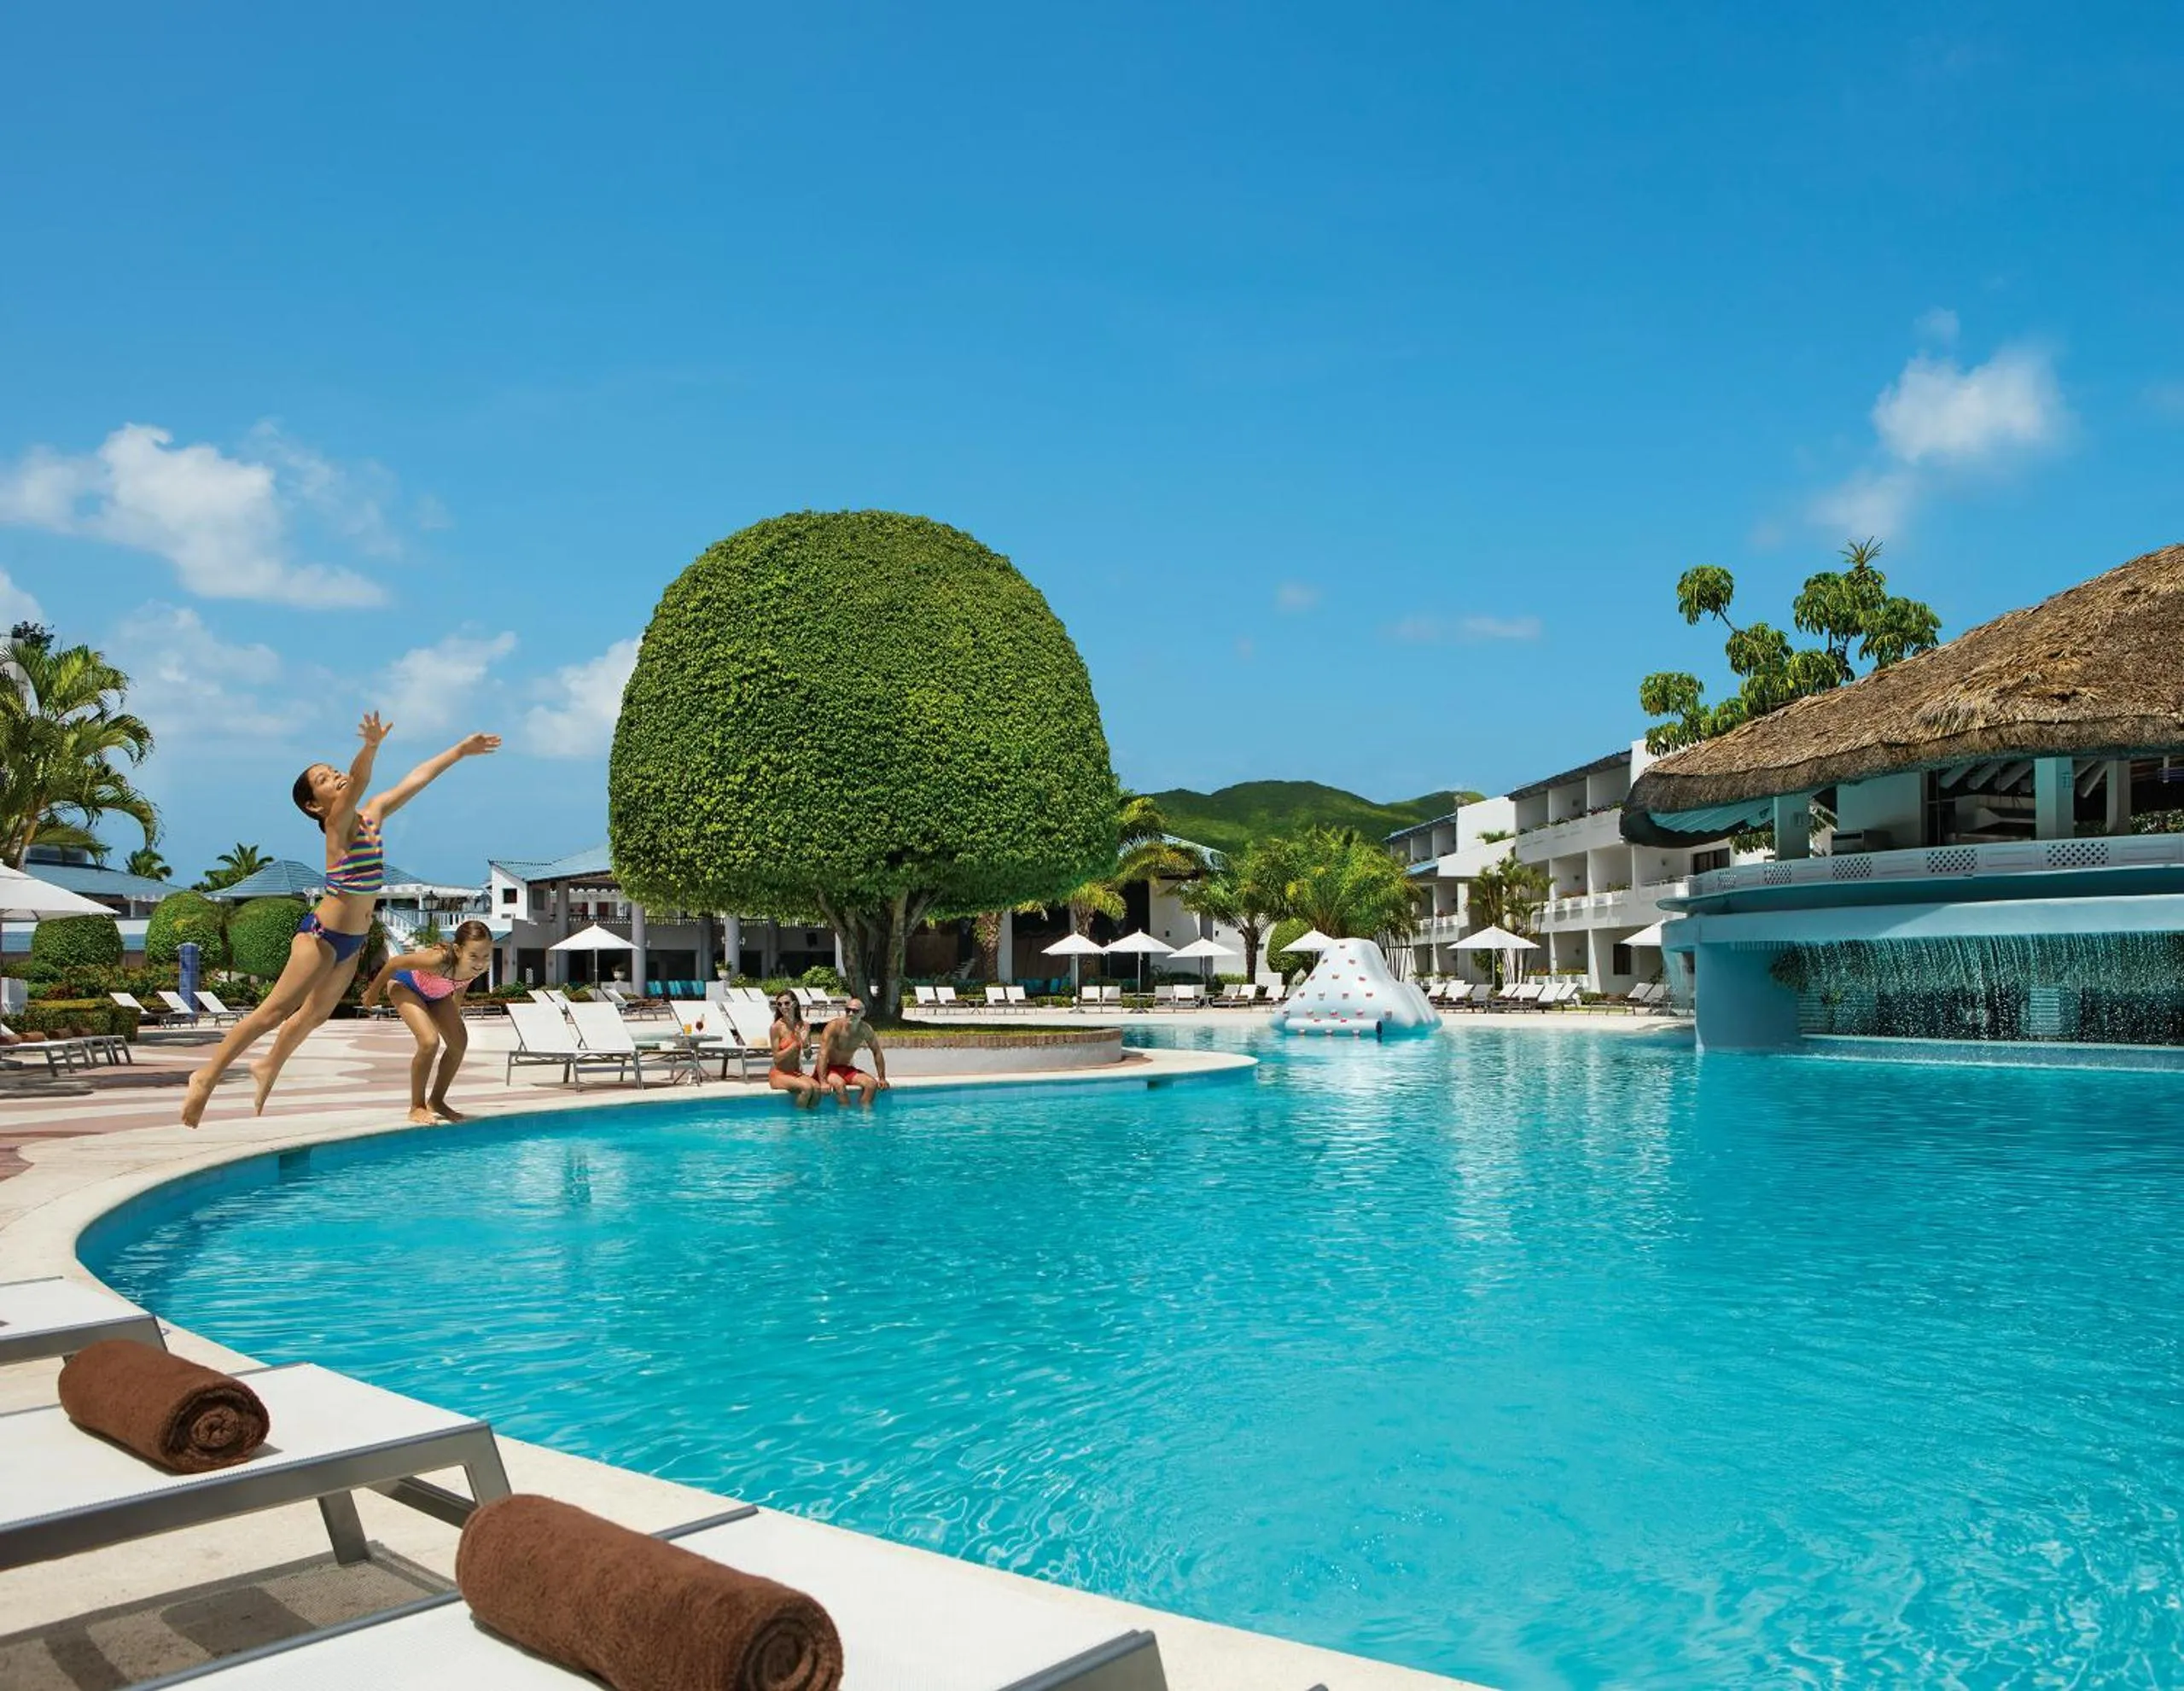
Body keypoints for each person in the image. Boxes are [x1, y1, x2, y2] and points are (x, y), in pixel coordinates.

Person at [180, 715, 501, 1127]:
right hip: (321, 937)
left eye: (332, 771)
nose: (335, 776)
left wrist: (459, 750)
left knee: (314, 1016)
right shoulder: (337, 823)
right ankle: (205, 1077)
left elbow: (416, 779)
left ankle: (269, 1065)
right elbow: (359, 780)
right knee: (274, 1012)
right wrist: (371, 747)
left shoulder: (373, 816)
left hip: (351, 943)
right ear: (315, 805)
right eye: (325, 779)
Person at [362, 919, 496, 1125]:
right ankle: (417, 1106)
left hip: (436, 994)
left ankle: (437, 1101)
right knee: (429, 1042)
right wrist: (373, 992)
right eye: (474, 956)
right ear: (458, 950)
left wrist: (453, 1017)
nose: (480, 962)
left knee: (459, 1043)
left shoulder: (479, 967)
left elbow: (460, 986)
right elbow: (394, 963)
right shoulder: (438, 960)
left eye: (486, 956)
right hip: (405, 986)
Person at [812, 997, 888, 1106]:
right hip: (828, 1069)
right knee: (840, 1084)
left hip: (846, 1069)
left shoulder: (865, 1029)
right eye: (848, 1010)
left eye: (855, 1011)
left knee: (871, 1084)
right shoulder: (834, 1026)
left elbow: (877, 1051)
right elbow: (822, 1054)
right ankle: (846, 1114)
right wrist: (823, 1081)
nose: (851, 1014)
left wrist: (882, 1078)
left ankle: (865, 1113)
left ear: (863, 1013)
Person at [766, 990, 822, 1109]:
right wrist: (797, 1042)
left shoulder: (805, 1026)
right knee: (807, 1088)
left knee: (817, 1088)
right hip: (779, 1074)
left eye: (786, 1003)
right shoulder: (776, 1028)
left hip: (795, 1073)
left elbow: (808, 1056)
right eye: (779, 1004)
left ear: (795, 1004)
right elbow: (777, 1058)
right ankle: (799, 1119)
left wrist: (805, 1044)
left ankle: (810, 1118)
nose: (783, 1007)